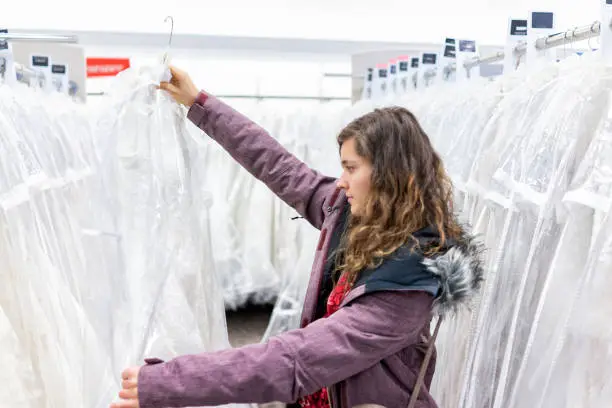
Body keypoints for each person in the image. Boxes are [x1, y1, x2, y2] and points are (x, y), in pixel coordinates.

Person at [111, 66, 484, 408]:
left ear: (390, 176)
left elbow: (295, 360)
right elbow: (277, 164)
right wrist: (200, 104)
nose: (341, 181)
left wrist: (168, 383)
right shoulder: (352, 215)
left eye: (351, 169)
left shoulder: (406, 286)